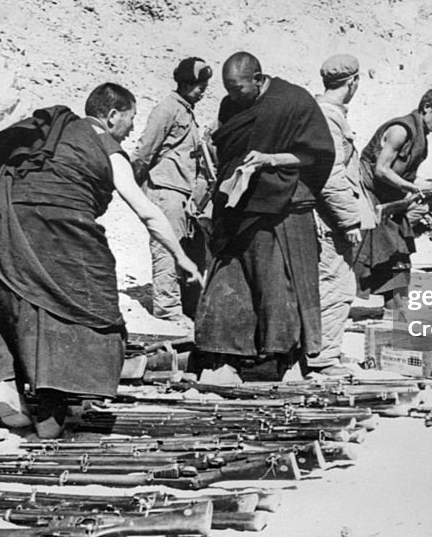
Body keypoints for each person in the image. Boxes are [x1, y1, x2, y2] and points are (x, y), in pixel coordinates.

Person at [0, 83, 202, 437]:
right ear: (111, 116)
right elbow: (148, 213)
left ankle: (4, 384)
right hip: (57, 224)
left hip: (5, 218)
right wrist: (182, 257)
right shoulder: (105, 145)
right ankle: (51, 405)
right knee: (89, 299)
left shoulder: (52, 133)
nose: (133, 129)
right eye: (131, 119)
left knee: (14, 296)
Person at [194, 52, 335, 385]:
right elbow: (227, 149)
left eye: (239, 88)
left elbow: (315, 156)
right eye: (228, 89)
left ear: (258, 78)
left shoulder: (293, 102)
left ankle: (281, 361)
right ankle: (225, 356)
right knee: (228, 280)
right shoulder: (231, 105)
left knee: (277, 284)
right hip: (237, 206)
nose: (233, 96)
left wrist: (270, 159)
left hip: (280, 204)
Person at [131, 57, 212, 330]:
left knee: (192, 251)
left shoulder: (186, 110)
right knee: (167, 249)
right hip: (166, 190)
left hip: (184, 195)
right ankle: (167, 310)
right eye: (199, 85)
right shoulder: (166, 110)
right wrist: (136, 185)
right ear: (185, 83)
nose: (203, 90)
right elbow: (144, 151)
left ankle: (189, 307)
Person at [354, 89, 432, 314]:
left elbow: (405, 174)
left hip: (392, 196)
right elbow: (381, 169)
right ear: (427, 107)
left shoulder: (421, 136)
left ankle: (395, 307)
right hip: (371, 194)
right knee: (380, 249)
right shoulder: (400, 130)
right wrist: (412, 188)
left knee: (400, 251)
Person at [307, 54, 372, 377]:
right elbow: (330, 174)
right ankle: (322, 358)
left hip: (326, 218)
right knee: (337, 285)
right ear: (352, 83)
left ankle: (323, 351)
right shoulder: (328, 117)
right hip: (330, 221)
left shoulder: (322, 113)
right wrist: (349, 219)